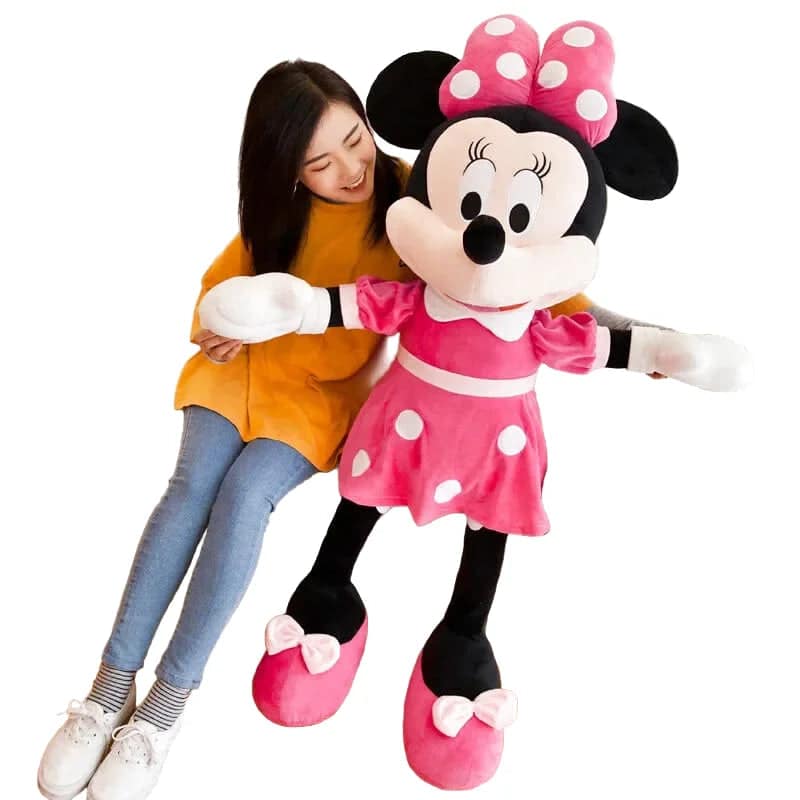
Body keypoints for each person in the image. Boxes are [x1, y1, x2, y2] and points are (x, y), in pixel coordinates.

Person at [36, 57, 663, 800]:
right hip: (237, 378)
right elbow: (220, 288)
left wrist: (645, 340)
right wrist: (215, 323)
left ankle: (163, 711)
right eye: (320, 163)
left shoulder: (421, 193)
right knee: (188, 491)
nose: (349, 169)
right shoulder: (281, 211)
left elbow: (546, 285)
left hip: (319, 402)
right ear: (289, 170)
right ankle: (108, 691)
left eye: (355, 141)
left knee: (243, 499)